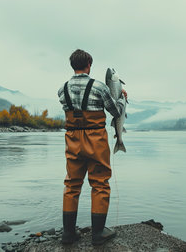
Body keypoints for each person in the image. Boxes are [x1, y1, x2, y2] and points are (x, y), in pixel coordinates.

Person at [57, 49, 127, 245]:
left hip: (72, 139)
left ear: (73, 65)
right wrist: (121, 97)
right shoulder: (99, 87)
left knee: (71, 184)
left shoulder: (62, 89)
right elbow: (115, 111)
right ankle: (98, 234)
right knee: (100, 183)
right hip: (95, 139)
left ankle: (68, 234)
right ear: (89, 64)